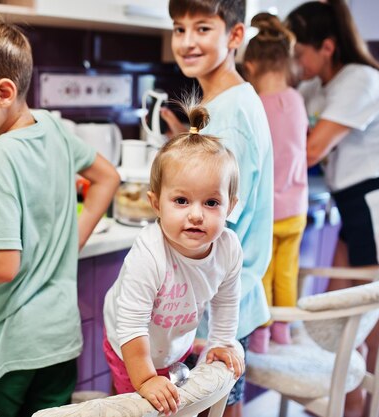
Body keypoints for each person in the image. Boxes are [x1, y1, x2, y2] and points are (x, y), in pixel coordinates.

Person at [0, 12, 120, 417]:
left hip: (6, 350)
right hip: (60, 342)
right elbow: (107, 177)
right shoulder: (52, 127)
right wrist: (72, 237)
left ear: (3, 92)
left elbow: (1, 266)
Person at [286, 2, 379, 416]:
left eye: (299, 51)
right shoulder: (320, 84)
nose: (295, 61)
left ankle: (372, 411)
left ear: (327, 47)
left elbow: (309, 150)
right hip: (357, 211)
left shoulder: (359, 80)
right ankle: (342, 407)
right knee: (340, 326)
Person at [161, 1, 274, 415]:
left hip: (220, 304)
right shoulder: (227, 103)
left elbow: (212, 223)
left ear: (235, 35)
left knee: (218, 408)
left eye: (203, 28)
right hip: (220, 299)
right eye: (179, 28)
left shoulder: (231, 116)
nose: (187, 42)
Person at [103, 101, 245, 416]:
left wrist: (221, 341)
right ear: (156, 204)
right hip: (130, 345)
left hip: (170, 344)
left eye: (211, 202)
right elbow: (131, 326)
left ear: (230, 207)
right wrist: (145, 379)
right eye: (181, 200)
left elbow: (226, 301)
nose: (196, 215)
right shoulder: (149, 253)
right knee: (135, 409)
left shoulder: (229, 248)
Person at [242, 13, 309, 353]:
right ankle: (283, 330)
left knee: (261, 274)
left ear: (250, 67)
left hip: (267, 213)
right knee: (286, 272)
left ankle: (261, 335)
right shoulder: (297, 101)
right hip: (297, 209)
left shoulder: (254, 106)